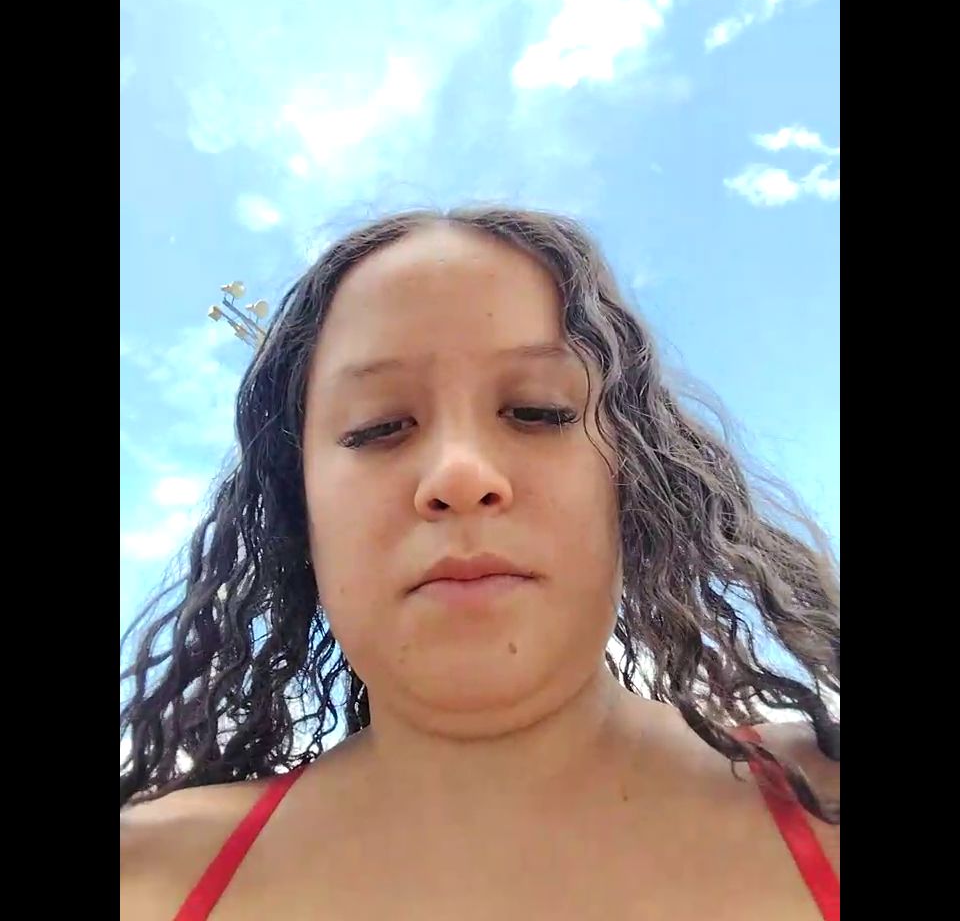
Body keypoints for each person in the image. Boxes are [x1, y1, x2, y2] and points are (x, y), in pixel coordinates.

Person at [120, 207, 840, 921]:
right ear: (297, 511)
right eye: (378, 427)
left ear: (637, 486)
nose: (460, 475)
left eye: (539, 412)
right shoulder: (142, 874)